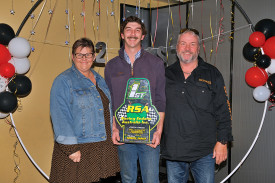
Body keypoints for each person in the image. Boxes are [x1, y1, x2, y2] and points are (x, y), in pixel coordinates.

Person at [161, 28, 233, 183]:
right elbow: (156, 107)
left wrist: (222, 142)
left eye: (192, 44)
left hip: (204, 151)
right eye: (183, 43)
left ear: (199, 48)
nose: (187, 48)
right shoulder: (165, 74)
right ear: (177, 47)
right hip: (174, 150)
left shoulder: (212, 73)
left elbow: (224, 111)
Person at [49, 37, 120, 183]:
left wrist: (114, 128)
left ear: (94, 57)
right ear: (73, 57)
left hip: (102, 146)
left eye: (88, 54)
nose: (84, 58)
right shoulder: (63, 81)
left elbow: (107, 110)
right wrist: (71, 148)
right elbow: (60, 116)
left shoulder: (100, 80)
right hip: (79, 147)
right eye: (79, 55)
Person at [104, 16, 166, 183]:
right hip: (123, 132)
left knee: (151, 179)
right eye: (128, 30)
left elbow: (160, 99)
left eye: (137, 30)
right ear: (122, 35)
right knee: (128, 178)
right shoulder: (111, 66)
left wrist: (159, 131)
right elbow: (110, 102)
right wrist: (114, 128)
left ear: (143, 36)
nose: (133, 33)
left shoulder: (156, 64)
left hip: (149, 132)